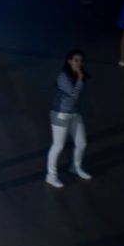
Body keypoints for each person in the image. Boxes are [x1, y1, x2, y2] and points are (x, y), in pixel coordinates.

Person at [46, 50, 93, 187]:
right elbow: (74, 95)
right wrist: (80, 79)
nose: (79, 63)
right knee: (58, 145)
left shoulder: (77, 75)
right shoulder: (63, 76)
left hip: (74, 114)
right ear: (69, 61)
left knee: (81, 143)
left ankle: (75, 167)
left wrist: (80, 78)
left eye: (80, 61)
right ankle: (51, 176)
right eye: (76, 60)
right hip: (60, 114)